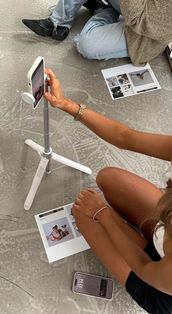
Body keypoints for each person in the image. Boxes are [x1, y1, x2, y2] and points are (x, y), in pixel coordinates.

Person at [44, 68, 172, 313]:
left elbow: (145, 268)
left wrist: (104, 215)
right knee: (109, 178)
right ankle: (152, 232)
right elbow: (127, 137)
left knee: (84, 211)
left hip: (157, 283)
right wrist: (67, 105)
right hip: (165, 236)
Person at [22, 0, 172, 65]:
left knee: (87, 45)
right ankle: (58, 24)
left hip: (145, 33)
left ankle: (103, 10)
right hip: (136, 7)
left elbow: (138, 19)